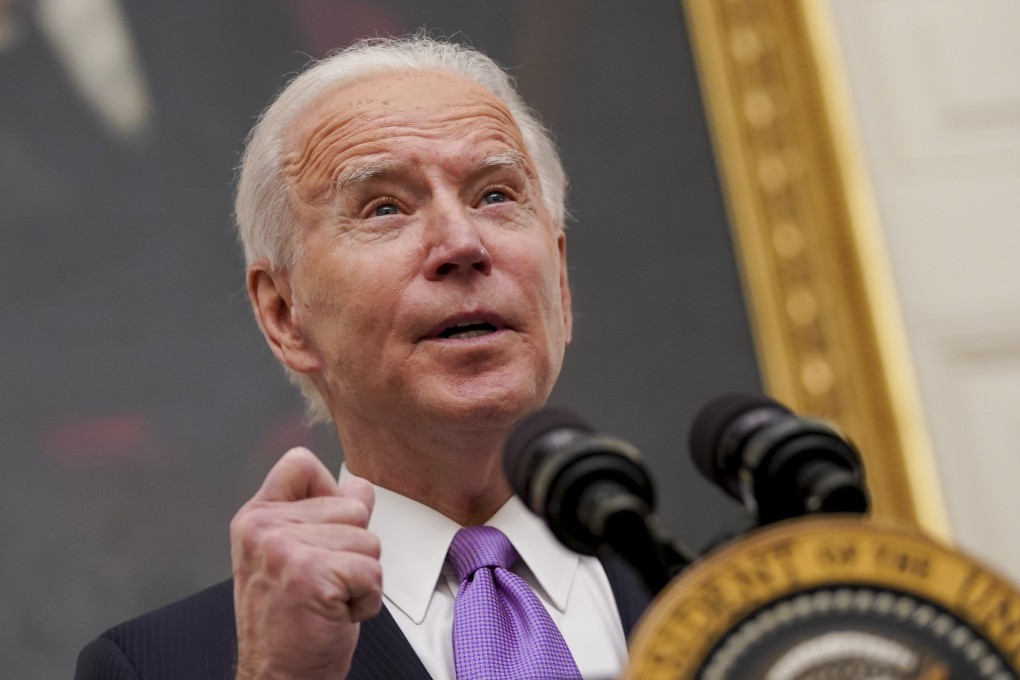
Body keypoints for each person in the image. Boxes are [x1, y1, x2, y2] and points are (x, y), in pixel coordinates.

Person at [75, 35, 651, 680]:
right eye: (384, 208)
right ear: (285, 315)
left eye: (495, 196)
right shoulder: (157, 667)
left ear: (562, 286)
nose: (462, 243)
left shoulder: (736, 593)